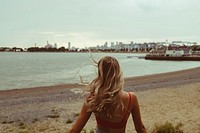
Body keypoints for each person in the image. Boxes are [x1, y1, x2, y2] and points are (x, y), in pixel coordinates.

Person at [69, 56, 147, 133]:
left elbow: (75, 130)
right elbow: (140, 129)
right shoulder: (131, 98)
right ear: (118, 73)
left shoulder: (93, 98)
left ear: (100, 74)